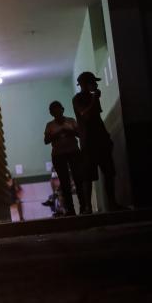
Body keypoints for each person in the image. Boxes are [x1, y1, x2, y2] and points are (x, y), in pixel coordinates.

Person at [72, 71, 124, 211]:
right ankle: (88, 207)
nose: (95, 84)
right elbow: (86, 116)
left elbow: (97, 120)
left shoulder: (93, 97)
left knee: (109, 172)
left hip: (101, 141)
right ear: (84, 84)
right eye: (92, 82)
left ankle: (112, 203)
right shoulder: (77, 99)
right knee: (88, 176)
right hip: (88, 143)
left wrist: (106, 137)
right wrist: (94, 99)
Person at [44, 100, 87, 215]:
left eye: (58, 109)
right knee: (64, 183)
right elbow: (46, 141)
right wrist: (57, 134)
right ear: (51, 113)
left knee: (78, 180)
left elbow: (80, 134)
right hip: (58, 155)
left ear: (62, 110)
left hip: (73, 152)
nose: (57, 112)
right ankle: (70, 210)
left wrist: (70, 131)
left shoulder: (71, 120)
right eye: (54, 111)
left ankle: (83, 207)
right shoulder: (50, 125)